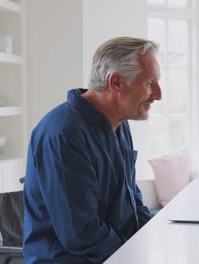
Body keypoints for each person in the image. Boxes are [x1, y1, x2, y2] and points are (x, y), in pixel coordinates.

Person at [23, 37, 162, 263]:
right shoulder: (64, 133)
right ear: (116, 82)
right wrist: (131, 257)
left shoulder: (119, 123)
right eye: (149, 83)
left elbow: (131, 200)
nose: (158, 94)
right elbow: (79, 233)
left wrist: (152, 238)